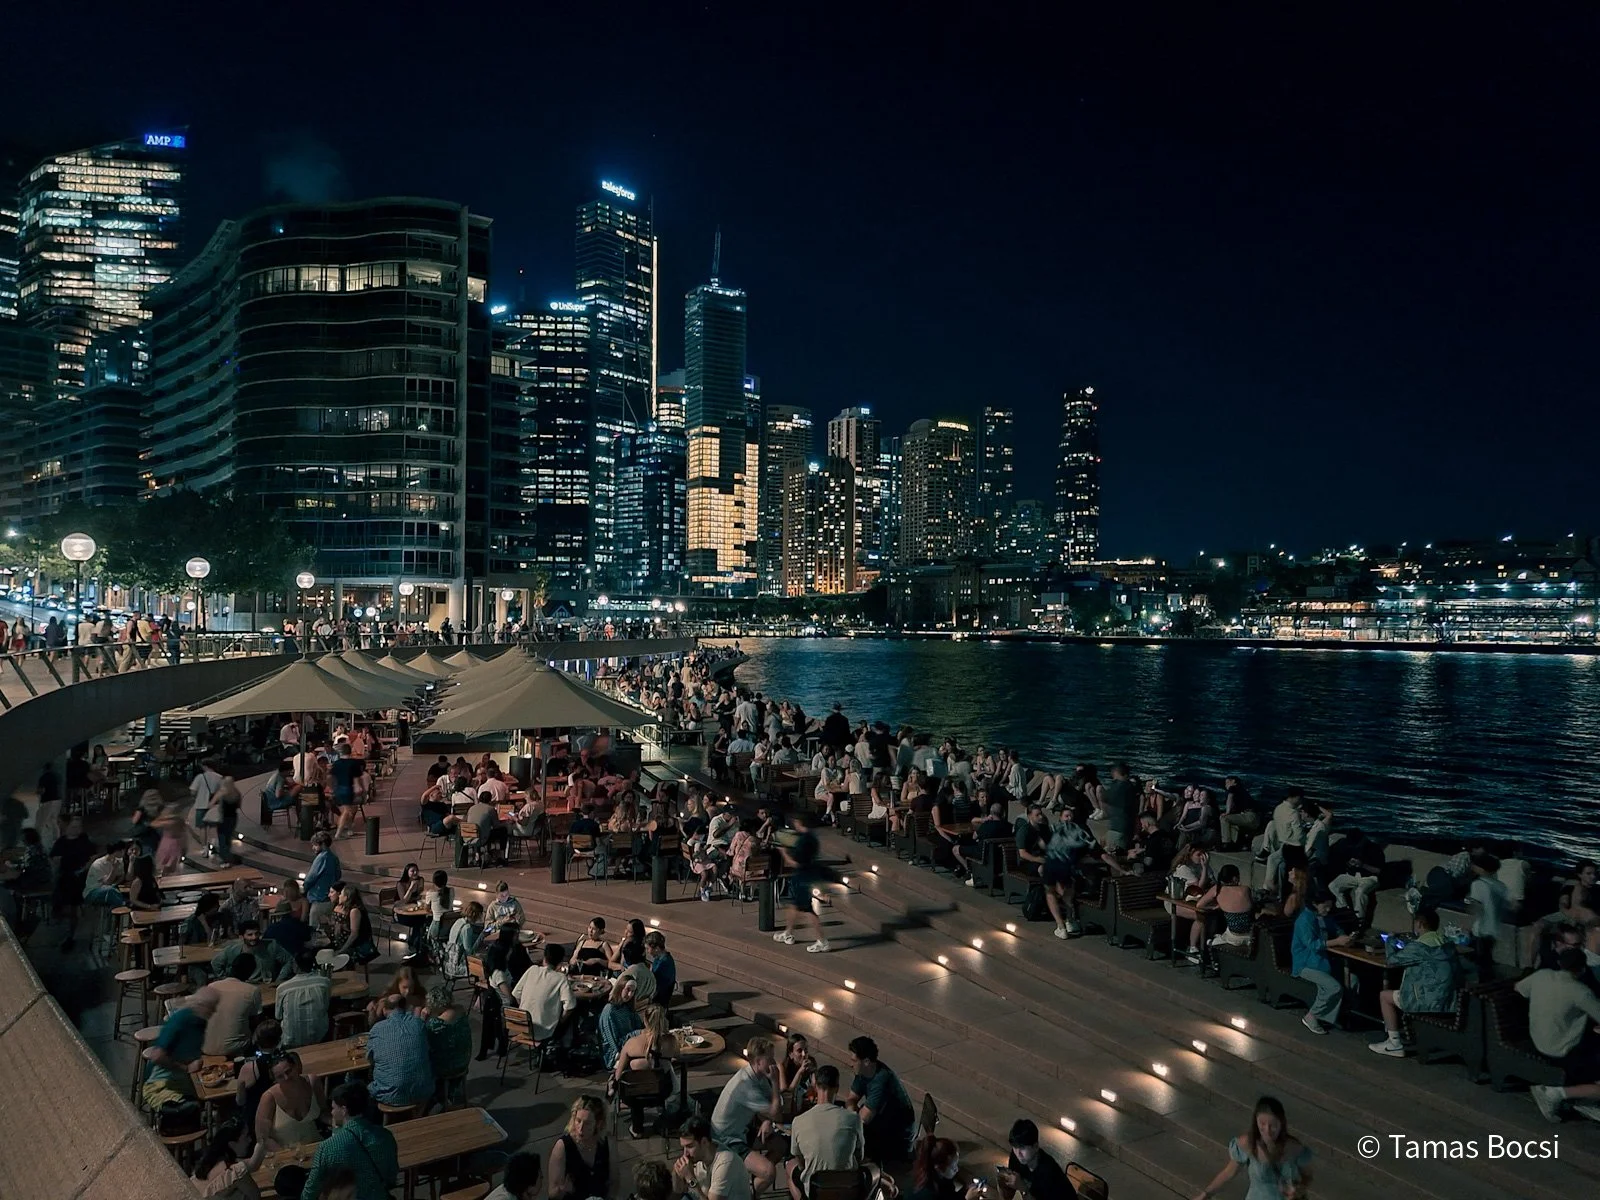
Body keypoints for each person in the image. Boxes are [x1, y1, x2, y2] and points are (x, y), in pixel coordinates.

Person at [1520, 947, 1600, 1121]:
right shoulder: (1580, 991)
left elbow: (1520, 989)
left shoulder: (1541, 976)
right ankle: (1558, 1094)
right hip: (1562, 1050)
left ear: (1559, 963)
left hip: (1537, 1040)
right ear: (1583, 969)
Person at [1369, 909, 1462, 1058]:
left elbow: (1392, 961)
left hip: (1427, 1001)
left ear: (1419, 924)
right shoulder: (1447, 943)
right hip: (1449, 999)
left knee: (1384, 996)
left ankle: (1394, 1044)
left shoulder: (1418, 947)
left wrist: (1390, 941)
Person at [1193, 1096, 1312, 1200]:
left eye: (1273, 1125)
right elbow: (1228, 1173)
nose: (1267, 1131)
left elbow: (1307, 1177)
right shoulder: (1248, 1144)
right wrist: (1205, 1194)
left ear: (1281, 1123)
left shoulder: (1295, 1148)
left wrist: (1298, 1190)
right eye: (1262, 1124)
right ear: (1256, 1122)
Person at [299, 1081, 399, 1200]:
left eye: (333, 1108)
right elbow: (391, 1177)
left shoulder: (327, 1147)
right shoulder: (385, 1136)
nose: (332, 1112)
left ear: (344, 1109)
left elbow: (311, 1190)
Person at [710, 1036, 782, 1190]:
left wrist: (766, 1120)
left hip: (743, 1130)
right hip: (727, 1139)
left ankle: (749, 1181)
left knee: (782, 1146)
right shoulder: (746, 1085)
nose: (773, 1063)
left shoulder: (759, 1076)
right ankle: (746, 1194)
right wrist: (776, 1082)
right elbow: (776, 1112)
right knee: (769, 1172)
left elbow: (774, 1103)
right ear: (757, 1061)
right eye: (770, 1059)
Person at [784, 1064, 862, 1200]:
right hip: (846, 1187)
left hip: (816, 1189)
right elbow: (859, 1155)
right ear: (837, 1088)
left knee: (790, 1166)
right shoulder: (853, 1118)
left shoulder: (799, 1121)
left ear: (816, 1087)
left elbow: (800, 1159)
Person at [142, 985, 219, 1109]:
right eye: (212, 1007)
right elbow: (157, 1056)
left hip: (182, 1081)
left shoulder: (200, 1022)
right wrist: (186, 1067)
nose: (214, 1011)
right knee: (191, 1109)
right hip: (160, 1085)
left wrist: (194, 1060)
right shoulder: (181, 1020)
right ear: (201, 1005)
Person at [845, 1035, 914, 1165]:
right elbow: (851, 1099)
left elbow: (863, 1120)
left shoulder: (881, 1081)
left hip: (896, 1137)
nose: (850, 1064)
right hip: (881, 1122)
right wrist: (852, 1113)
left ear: (866, 1061)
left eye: (854, 1060)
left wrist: (851, 1116)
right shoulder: (863, 1072)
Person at [1291, 893, 1352, 1035]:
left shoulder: (1324, 918)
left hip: (1322, 961)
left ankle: (1329, 1017)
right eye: (1326, 906)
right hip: (1305, 963)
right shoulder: (1304, 920)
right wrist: (1337, 942)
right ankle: (1312, 1015)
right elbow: (1312, 945)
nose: (1328, 910)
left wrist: (1345, 937)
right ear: (1315, 904)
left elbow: (1336, 929)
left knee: (1352, 980)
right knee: (1334, 987)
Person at [773, 812, 830, 953]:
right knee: (793, 905)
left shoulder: (803, 841)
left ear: (799, 823)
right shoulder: (813, 839)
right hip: (808, 875)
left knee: (807, 909)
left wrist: (783, 851)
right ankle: (788, 932)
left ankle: (822, 941)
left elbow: (794, 863)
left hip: (803, 877)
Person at [366, 994, 435, 1109]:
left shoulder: (377, 1029)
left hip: (389, 1095)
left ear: (384, 1010)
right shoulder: (418, 1024)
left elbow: (370, 1059)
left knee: (364, 1083)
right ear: (405, 1007)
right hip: (422, 1091)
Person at [255, 1051, 324, 1150]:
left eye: (289, 1071)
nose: (286, 1078)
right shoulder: (269, 1098)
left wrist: (340, 1121)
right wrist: (286, 1154)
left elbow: (324, 1111)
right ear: (275, 1080)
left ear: (296, 1067)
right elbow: (263, 1138)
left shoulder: (312, 1082)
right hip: (284, 1154)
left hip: (316, 1147)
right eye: (280, 1076)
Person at [548, 1095, 612, 1200]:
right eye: (578, 1121)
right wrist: (563, 1189)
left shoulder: (607, 1142)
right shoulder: (562, 1146)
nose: (581, 1128)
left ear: (598, 1124)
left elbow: (614, 1182)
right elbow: (552, 1193)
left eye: (587, 1123)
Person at [512, 941, 578, 1041]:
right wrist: (560, 1022)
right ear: (560, 962)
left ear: (544, 958)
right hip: (544, 1031)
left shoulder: (532, 970)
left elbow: (516, 994)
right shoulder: (560, 978)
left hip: (522, 1026)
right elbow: (570, 1006)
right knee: (573, 1013)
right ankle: (565, 1047)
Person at [675, 1115, 751, 1200]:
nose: (685, 1154)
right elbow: (677, 1191)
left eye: (689, 1146)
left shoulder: (725, 1162)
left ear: (704, 1142)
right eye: (683, 1147)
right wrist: (677, 1173)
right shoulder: (699, 1155)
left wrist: (690, 1179)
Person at [424, 984, 474, 1109]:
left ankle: (433, 1101)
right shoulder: (461, 1011)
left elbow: (422, 1038)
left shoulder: (435, 1024)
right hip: (463, 1062)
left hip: (445, 1068)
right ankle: (447, 1095)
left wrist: (423, 1018)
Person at [997, 1119, 1075, 1200]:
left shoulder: (1049, 1172)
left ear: (1036, 1146)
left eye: (1022, 1148)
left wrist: (1023, 1188)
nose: (1018, 1153)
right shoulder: (1016, 1156)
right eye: (1015, 1147)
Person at [192, 1120, 269, 1198]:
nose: (250, 1140)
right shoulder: (234, 1172)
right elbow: (255, 1196)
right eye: (246, 1137)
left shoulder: (211, 1161)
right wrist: (262, 1145)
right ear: (232, 1144)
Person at [206, 954, 264, 1057]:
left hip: (206, 1046)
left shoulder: (211, 986)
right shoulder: (252, 991)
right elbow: (256, 1022)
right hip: (236, 1048)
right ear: (251, 972)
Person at [276, 949, 333, 1049]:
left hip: (290, 1040)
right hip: (320, 1036)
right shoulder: (324, 983)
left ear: (295, 965)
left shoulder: (283, 988)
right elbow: (326, 1006)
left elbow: (278, 1015)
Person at [1467, 850, 1508, 982]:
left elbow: (1477, 908)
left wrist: (1468, 902)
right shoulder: (1501, 886)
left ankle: (1484, 986)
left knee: (1481, 963)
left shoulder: (1478, 884)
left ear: (1481, 869)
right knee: (1487, 960)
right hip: (1495, 930)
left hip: (1481, 930)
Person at [214, 920, 295, 984]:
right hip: (242, 985)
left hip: (266, 984)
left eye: (257, 933)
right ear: (242, 937)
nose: (254, 937)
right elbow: (215, 963)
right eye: (250, 934)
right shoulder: (232, 950)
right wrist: (225, 980)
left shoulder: (271, 945)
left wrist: (280, 979)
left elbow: (289, 960)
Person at [907, 1137, 981, 1200]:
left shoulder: (938, 1175)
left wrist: (965, 1191)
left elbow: (950, 1196)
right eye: (953, 1166)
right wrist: (967, 1199)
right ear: (938, 1168)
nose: (957, 1169)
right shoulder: (928, 1193)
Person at [328, 743, 366, 840]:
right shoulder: (354, 763)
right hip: (348, 788)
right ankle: (338, 833)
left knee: (349, 809)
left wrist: (331, 788)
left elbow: (330, 777)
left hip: (338, 788)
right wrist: (362, 789)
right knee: (347, 811)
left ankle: (349, 829)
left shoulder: (336, 763)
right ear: (350, 751)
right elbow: (358, 778)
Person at [1098, 762, 1139, 851]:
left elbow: (1105, 799)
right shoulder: (1131, 787)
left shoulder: (1118, 787)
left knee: (1115, 853)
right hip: (1127, 827)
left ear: (1115, 773)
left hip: (1117, 827)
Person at [303, 832, 340, 927]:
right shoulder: (334, 857)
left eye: (315, 845)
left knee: (313, 929)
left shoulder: (321, 858)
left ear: (322, 844)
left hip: (318, 898)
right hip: (330, 900)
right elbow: (338, 875)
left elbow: (310, 878)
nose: (313, 848)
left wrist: (305, 888)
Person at [444, 899, 485, 980]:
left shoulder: (459, 921)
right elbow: (469, 952)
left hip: (449, 962)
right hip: (458, 966)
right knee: (485, 961)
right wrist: (481, 937)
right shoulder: (467, 928)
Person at [645, 929, 677, 998]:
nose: (647, 951)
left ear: (657, 948)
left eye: (648, 948)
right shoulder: (660, 958)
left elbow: (658, 986)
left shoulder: (664, 963)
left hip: (660, 997)